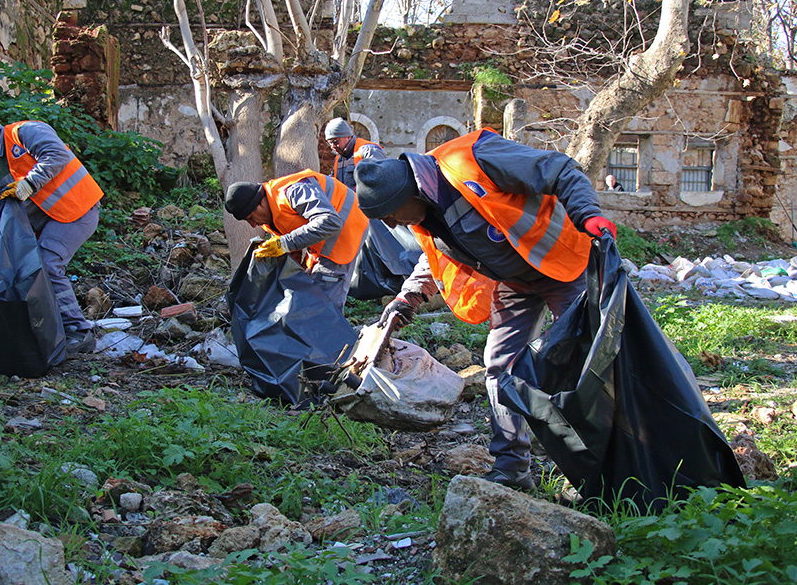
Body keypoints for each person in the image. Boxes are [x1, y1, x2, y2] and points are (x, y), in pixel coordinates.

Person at [353, 128, 616, 491]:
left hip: (564, 262)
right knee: (499, 365)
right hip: (515, 281)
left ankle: (617, 459)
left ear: (409, 192)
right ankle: (512, 467)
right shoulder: (424, 214)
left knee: (592, 361)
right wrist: (407, 297)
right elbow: (434, 258)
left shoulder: (473, 159)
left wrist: (588, 214)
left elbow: (560, 168)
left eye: (391, 214)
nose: (392, 223)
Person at [0, 107, 103, 355]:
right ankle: (50, 331)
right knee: (27, 273)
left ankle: (79, 333)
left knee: (46, 266)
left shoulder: (26, 133)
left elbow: (56, 154)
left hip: (77, 210)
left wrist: (30, 183)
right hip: (47, 221)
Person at [224, 170, 368, 311]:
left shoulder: (295, 190)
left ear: (260, 203)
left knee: (324, 301)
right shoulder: (269, 216)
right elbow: (293, 244)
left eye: (250, 217)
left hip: (347, 227)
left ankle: (330, 331)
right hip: (324, 236)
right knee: (310, 290)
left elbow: (330, 221)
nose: (253, 225)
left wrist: (284, 243)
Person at [324, 117, 386, 190]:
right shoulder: (338, 159)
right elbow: (333, 183)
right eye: (330, 143)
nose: (333, 146)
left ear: (348, 136)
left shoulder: (368, 151)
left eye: (335, 142)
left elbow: (381, 181)